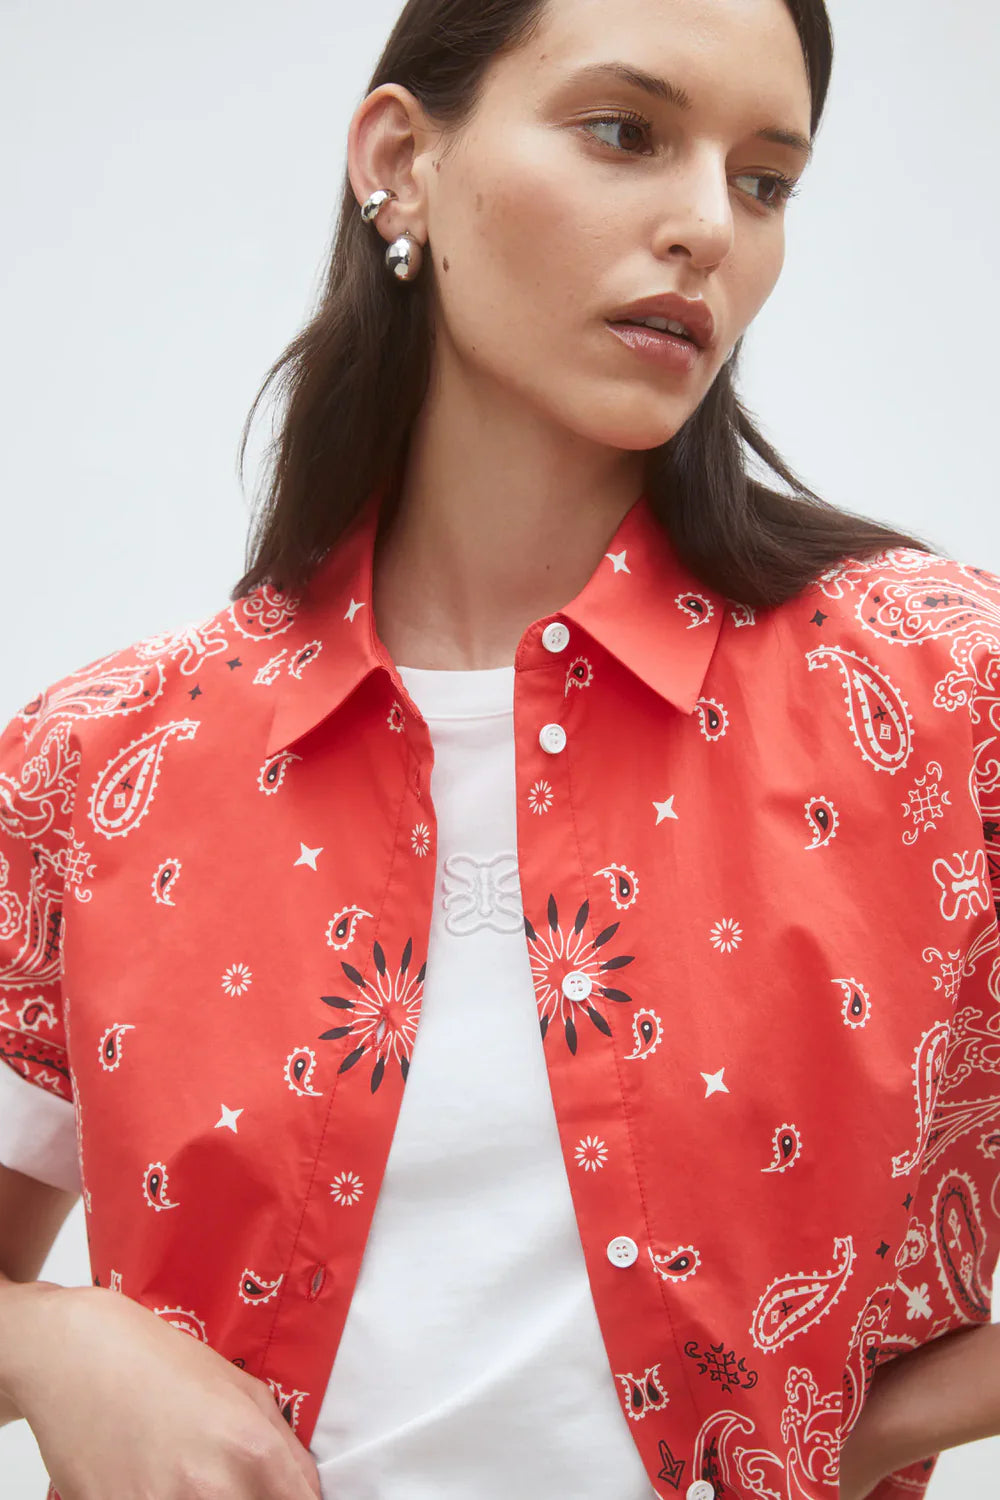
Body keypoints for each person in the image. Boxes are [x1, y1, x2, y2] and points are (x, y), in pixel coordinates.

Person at [1, 1, 999, 1498]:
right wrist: (48, 1345)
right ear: (400, 160)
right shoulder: (101, 766)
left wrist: (854, 1425)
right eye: (627, 132)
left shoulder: (938, 704)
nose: (705, 229)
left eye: (763, 179)